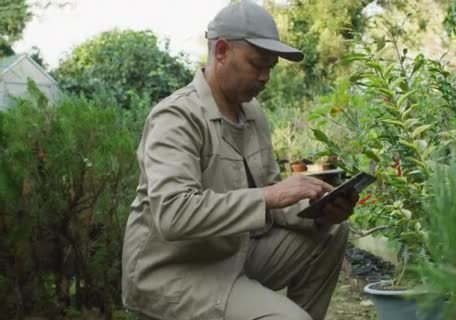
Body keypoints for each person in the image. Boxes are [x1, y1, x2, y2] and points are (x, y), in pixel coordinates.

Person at [121, 2, 358, 320]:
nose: (265, 77)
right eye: (257, 64)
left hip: (232, 256)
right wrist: (268, 196)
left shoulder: (252, 114)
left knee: (330, 232)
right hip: (174, 273)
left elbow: (272, 198)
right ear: (221, 51)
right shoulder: (176, 117)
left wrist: (318, 211)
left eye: (271, 67)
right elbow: (173, 214)